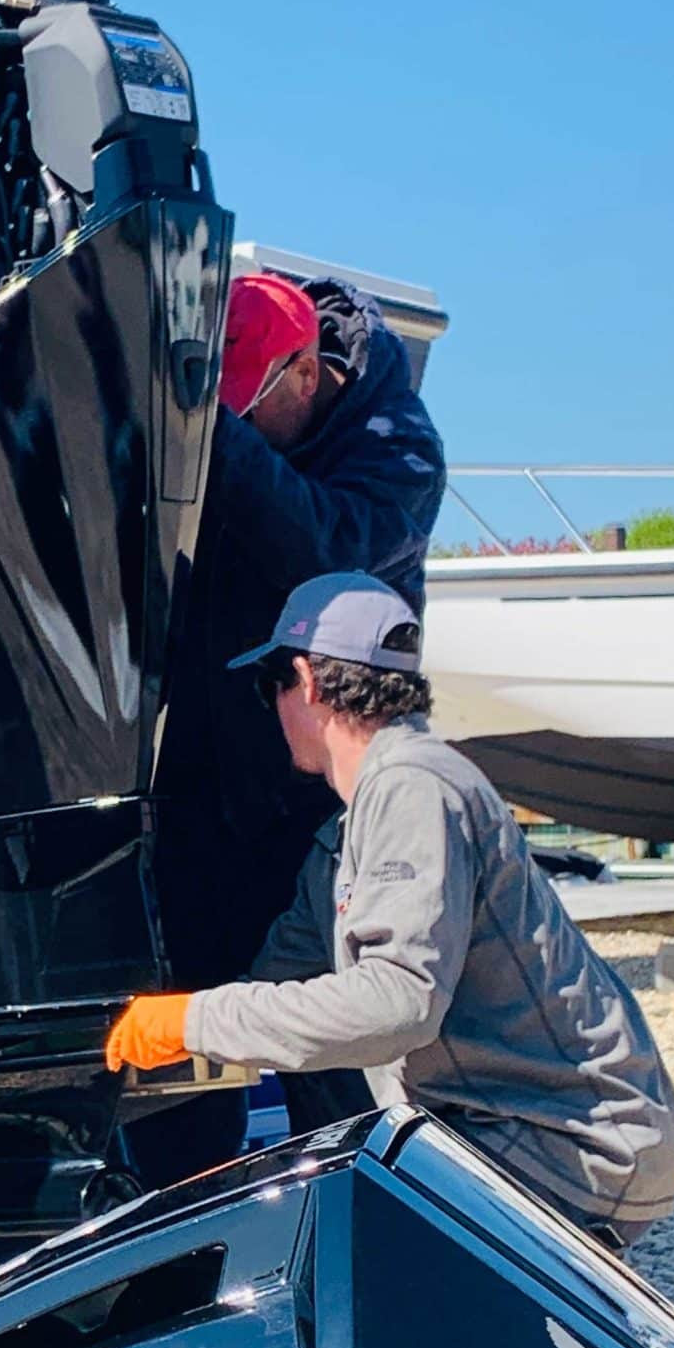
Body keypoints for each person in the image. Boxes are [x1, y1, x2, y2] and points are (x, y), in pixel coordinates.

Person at [111, 573, 674, 1249]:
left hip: (569, 1141)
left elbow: (395, 1005)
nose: (269, 708)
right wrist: (122, 1064)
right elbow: (278, 992)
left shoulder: (413, 787)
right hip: (538, 1126)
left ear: (307, 679)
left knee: (325, 1255)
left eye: (270, 686)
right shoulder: (349, 833)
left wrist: (191, 1018)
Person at [141, 271, 448, 1180]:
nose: (220, 435)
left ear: (307, 376)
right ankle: (174, 1219)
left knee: (337, 1024)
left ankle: (365, 1210)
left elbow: (328, 551)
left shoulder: (399, 450)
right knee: (193, 1005)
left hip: (323, 789)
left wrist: (219, 438)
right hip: (212, 772)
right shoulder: (251, 431)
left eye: (245, 408)